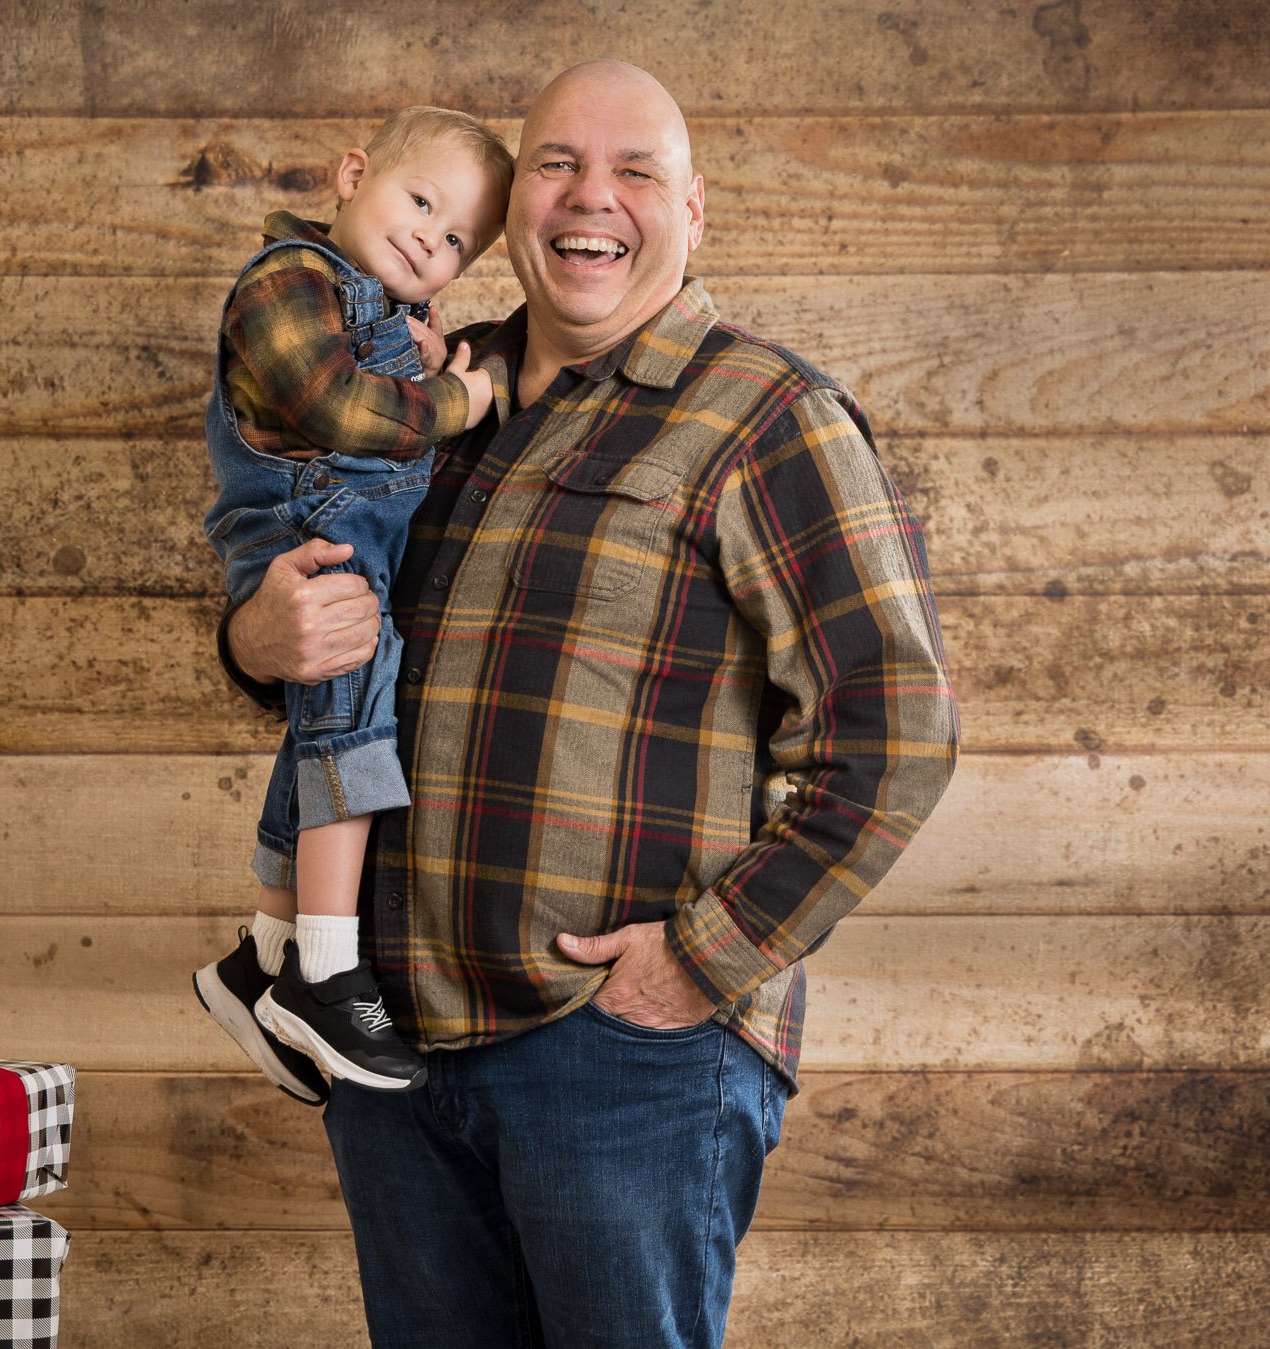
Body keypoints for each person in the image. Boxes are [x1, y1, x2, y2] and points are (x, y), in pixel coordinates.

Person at [220, 60, 961, 1346]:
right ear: (512, 206)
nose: (590, 197)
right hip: (390, 1044)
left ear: (694, 209)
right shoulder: (431, 390)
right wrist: (255, 631)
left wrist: (701, 962)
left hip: (619, 1056)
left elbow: (894, 735)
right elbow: (320, 612)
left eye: (635, 170)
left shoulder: (767, 418)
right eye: (557, 163)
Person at [191, 108, 513, 1100]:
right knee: (350, 730)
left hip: (347, 541)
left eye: (456, 238)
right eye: (420, 202)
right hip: (310, 536)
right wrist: (454, 403)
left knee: (328, 730)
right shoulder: (284, 280)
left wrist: (418, 366)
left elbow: (373, 397)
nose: (430, 238)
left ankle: (268, 951)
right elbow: (331, 407)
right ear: (350, 173)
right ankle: (326, 970)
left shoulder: (379, 315)